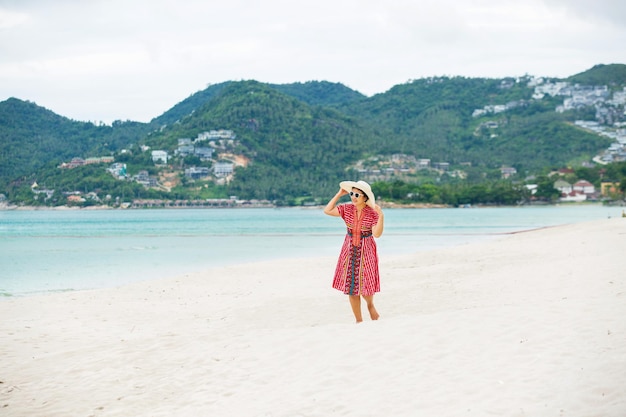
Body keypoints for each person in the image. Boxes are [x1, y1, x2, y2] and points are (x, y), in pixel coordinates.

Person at [323, 180, 384, 323]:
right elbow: (327, 210)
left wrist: (381, 217)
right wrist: (339, 194)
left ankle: (370, 305)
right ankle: (359, 321)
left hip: (366, 250)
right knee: (351, 287)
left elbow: (377, 234)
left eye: (357, 194)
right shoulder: (347, 209)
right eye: (352, 193)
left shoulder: (372, 213)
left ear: (365, 197)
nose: (353, 197)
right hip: (349, 250)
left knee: (366, 285)